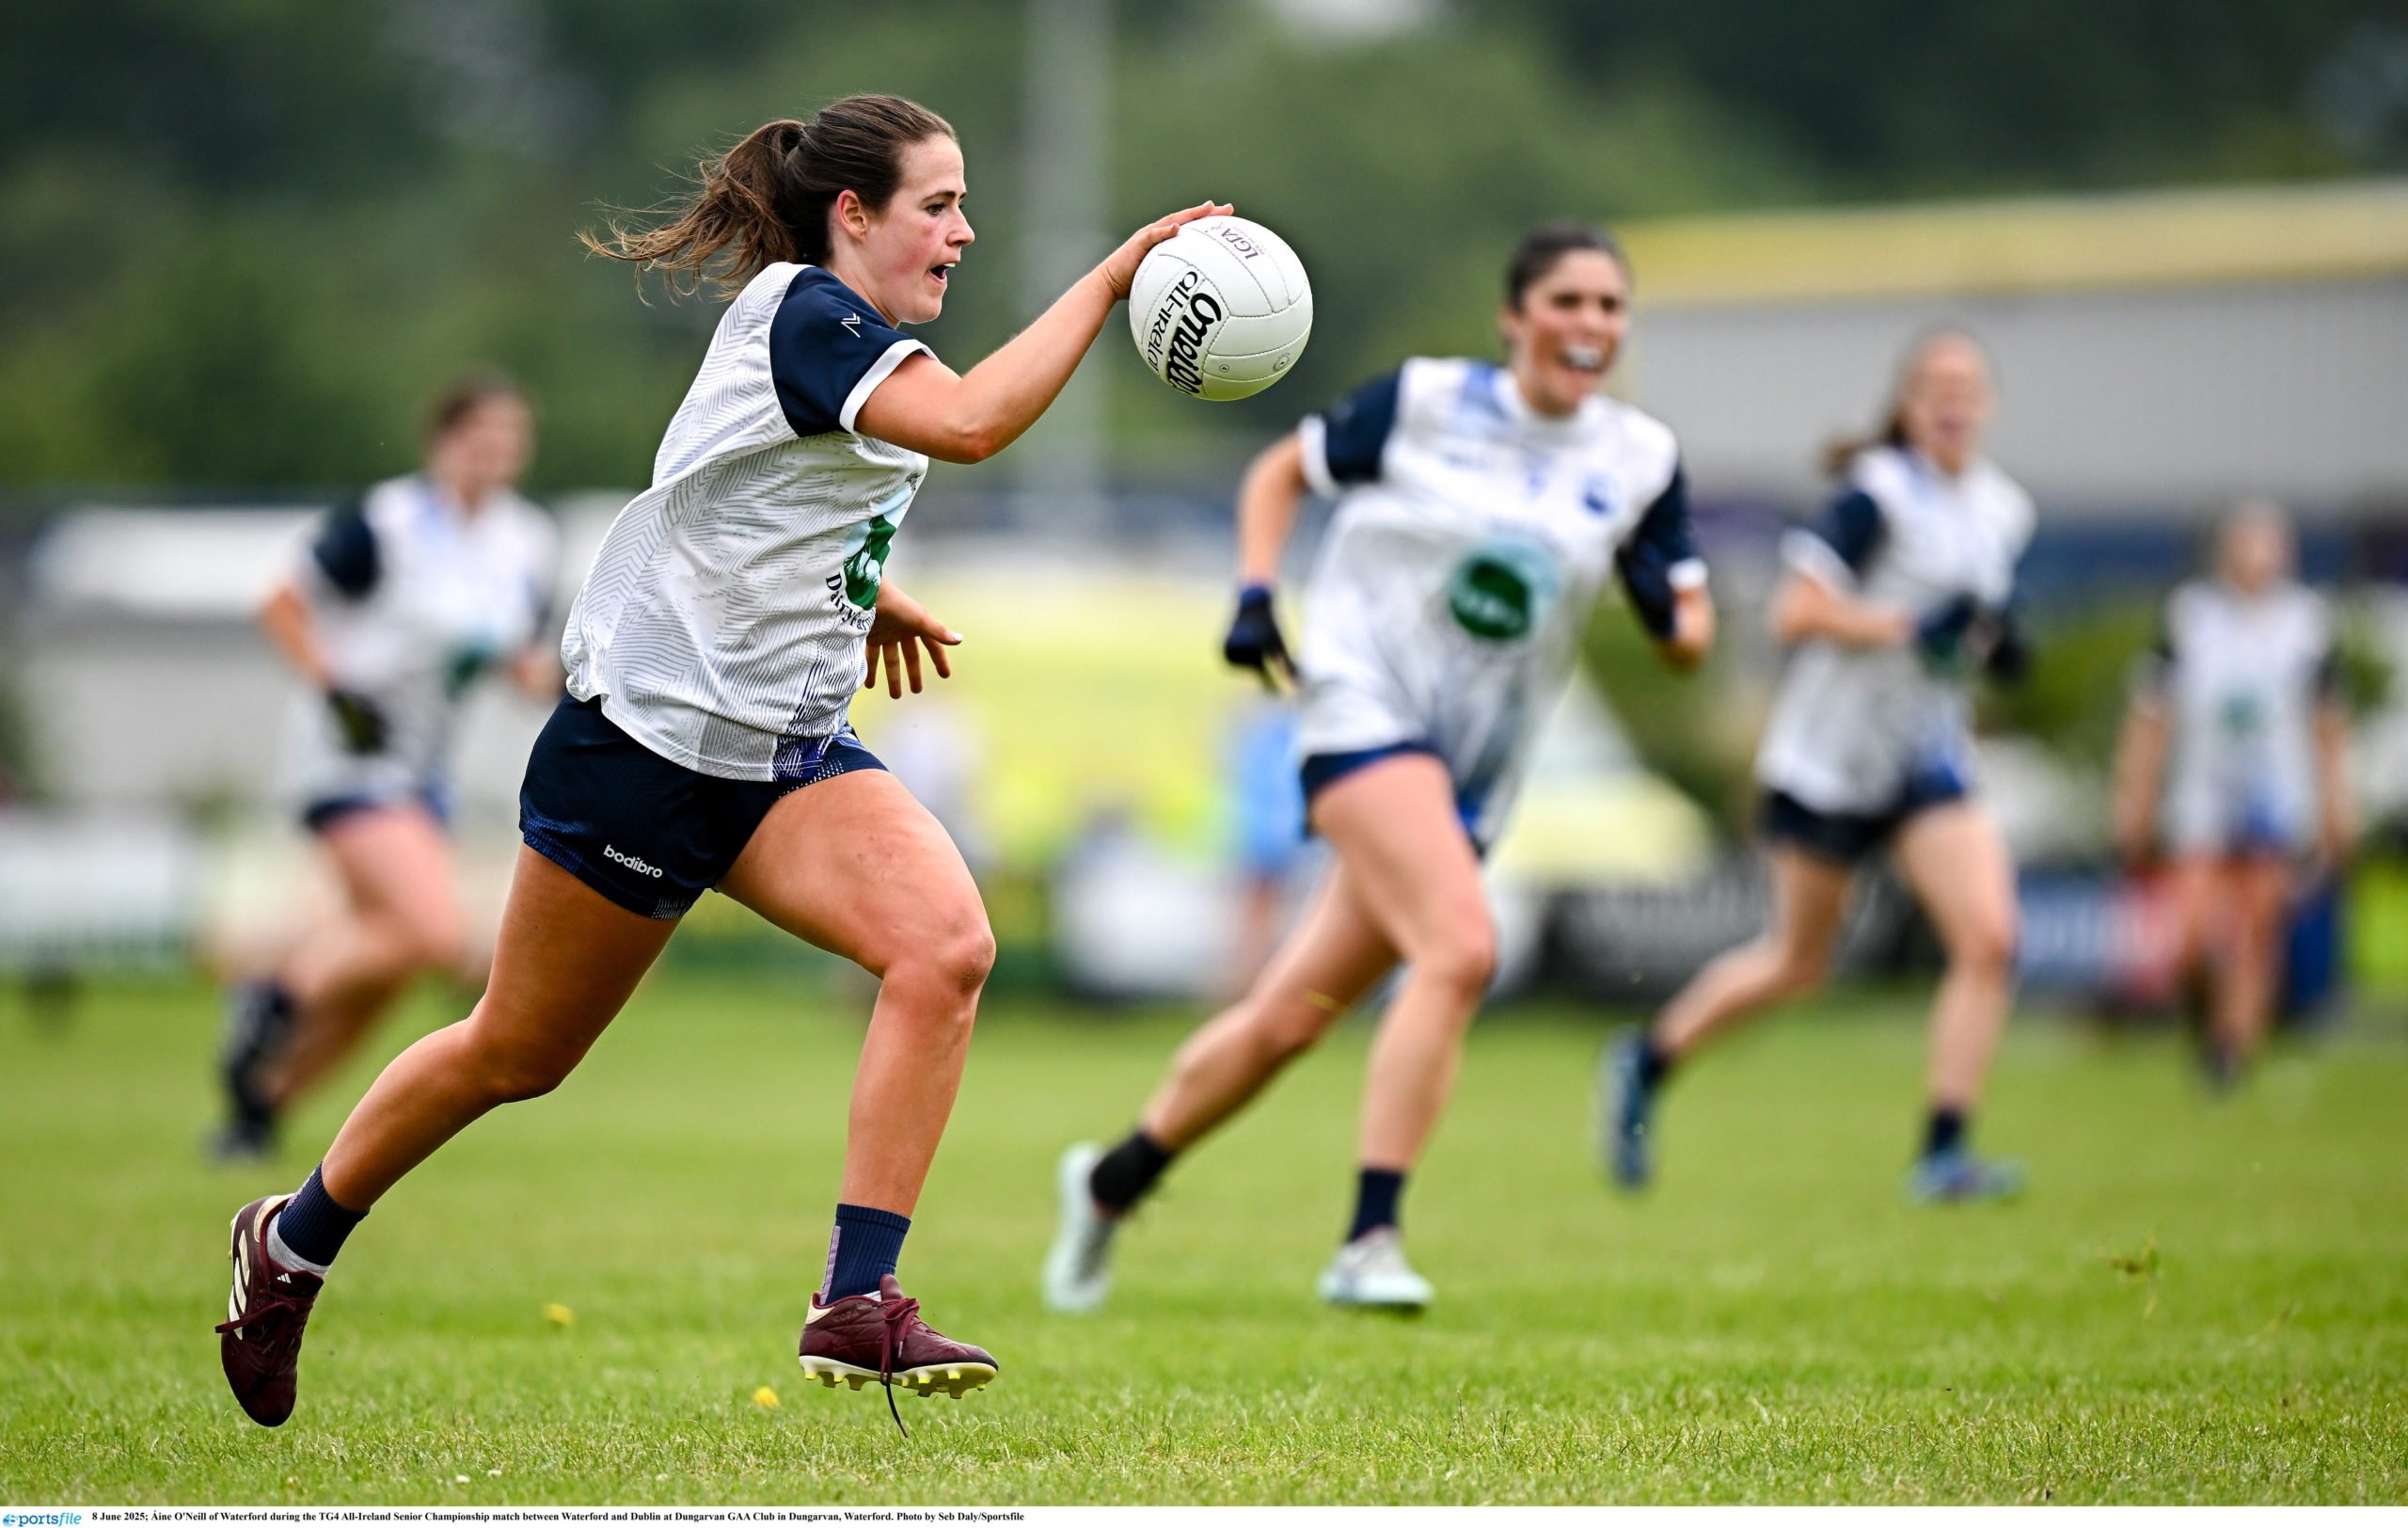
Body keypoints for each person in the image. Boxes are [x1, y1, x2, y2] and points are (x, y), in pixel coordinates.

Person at [215, 91, 1229, 1430]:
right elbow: (977, 423)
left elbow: (760, 502)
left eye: (966, 204)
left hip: (787, 752)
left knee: (946, 948)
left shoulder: (849, 333)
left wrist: (865, 593)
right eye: (940, 205)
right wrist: (1108, 281)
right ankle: (290, 1241)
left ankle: (857, 1297)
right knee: (515, 1053)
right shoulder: (811, 315)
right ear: (851, 215)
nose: (965, 231)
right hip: (644, 753)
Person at [1043, 223, 1716, 1314]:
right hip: (1359, 711)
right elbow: (1278, 471)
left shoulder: (1639, 459)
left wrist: (1667, 607)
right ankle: (1369, 1237)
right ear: (1514, 319)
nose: (1588, 325)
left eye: (1608, 307)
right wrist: (1256, 591)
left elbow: (1690, 634)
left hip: (1468, 776)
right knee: (1461, 946)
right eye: (1566, 302)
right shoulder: (1424, 403)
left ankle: (1114, 1179)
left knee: (1291, 1016)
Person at [1602, 329, 2034, 1204]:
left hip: (1923, 759)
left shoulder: (2003, 510)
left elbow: (1966, 622)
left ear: (1985, 406)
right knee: (1799, 964)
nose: (1953, 401)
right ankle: (1647, 1062)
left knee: (1989, 941)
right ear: (1908, 405)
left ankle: (1944, 1152)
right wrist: (1910, 628)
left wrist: (1992, 644)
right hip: (1828, 761)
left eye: (1969, 387)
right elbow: (1796, 615)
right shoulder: (1875, 498)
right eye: (1936, 386)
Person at [214, 375, 561, 1160]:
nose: (494, 452)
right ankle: (271, 996)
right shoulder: (388, 522)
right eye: (479, 435)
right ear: (442, 440)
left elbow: (519, 663)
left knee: (388, 966)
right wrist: (334, 689)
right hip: (351, 751)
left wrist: (579, 690)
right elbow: (279, 602)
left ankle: (258, 1106)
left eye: (509, 438)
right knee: (433, 933)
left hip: (423, 769)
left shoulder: (524, 542)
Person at [2112, 502, 2352, 1084]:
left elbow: (2329, 721)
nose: (2260, 557)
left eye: (2271, 544)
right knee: (2190, 929)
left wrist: (2336, 806)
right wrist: (2134, 798)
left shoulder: (2307, 622)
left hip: (2275, 790)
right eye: (2250, 543)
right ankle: (2203, 1010)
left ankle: (2229, 1053)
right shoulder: (2189, 618)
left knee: (2257, 924)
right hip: (2202, 791)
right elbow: (2150, 716)